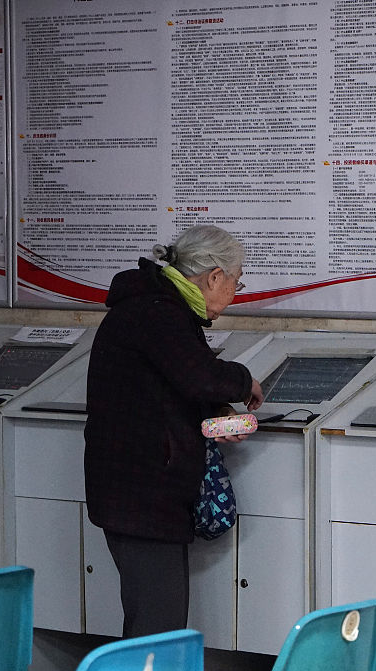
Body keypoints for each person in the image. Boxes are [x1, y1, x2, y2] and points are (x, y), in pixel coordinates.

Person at [84, 225, 263, 637]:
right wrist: (243, 381)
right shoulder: (158, 312)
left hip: (139, 491)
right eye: (237, 281)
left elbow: (172, 386)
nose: (235, 294)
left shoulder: (158, 308)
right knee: (156, 626)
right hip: (140, 493)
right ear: (214, 277)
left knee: (157, 618)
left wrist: (215, 413)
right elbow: (198, 375)